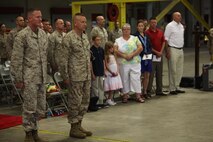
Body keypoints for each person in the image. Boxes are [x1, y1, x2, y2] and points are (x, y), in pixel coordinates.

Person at [10, 9, 48, 142]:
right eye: (37, 17)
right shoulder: (22, 36)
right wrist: (18, 79)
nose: (40, 19)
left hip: (41, 77)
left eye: (41, 17)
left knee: (40, 107)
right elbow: (16, 59)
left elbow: (44, 56)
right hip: (29, 78)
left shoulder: (43, 34)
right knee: (29, 107)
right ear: (29, 19)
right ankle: (28, 133)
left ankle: (35, 131)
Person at [56, 13, 92, 139]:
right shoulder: (68, 38)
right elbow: (62, 59)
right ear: (75, 23)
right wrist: (65, 76)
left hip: (86, 75)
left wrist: (90, 72)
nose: (85, 24)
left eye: (85, 22)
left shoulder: (84, 36)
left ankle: (79, 124)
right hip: (75, 76)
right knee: (75, 102)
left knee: (85, 101)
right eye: (82, 22)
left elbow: (87, 56)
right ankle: (73, 127)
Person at [114, 23, 144, 103]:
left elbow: (140, 48)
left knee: (136, 78)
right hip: (123, 63)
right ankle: (125, 95)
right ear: (122, 31)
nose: (126, 31)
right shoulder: (118, 40)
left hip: (135, 62)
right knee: (124, 79)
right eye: (124, 29)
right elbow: (115, 50)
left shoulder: (135, 38)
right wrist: (124, 55)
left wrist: (131, 55)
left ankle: (138, 95)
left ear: (130, 30)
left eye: (128, 29)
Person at [164, 12, 185, 95]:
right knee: (173, 69)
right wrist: (167, 51)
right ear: (174, 17)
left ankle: (177, 86)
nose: (180, 17)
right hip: (172, 49)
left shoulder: (181, 26)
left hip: (180, 49)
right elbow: (166, 39)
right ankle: (172, 88)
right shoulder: (170, 26)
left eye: (180, 15)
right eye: (178, 16)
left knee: (180, 69)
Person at [145, 17, 167, 96]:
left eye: (155, 22)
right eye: (152, 22)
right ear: (149, 23)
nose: (154, 24)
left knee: (159, 73)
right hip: (152, 56)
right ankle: (148, 91)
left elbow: (163, 42)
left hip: (160, 55)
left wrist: (161, 52)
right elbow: (148, 46)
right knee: (151, 74)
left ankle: (159, 90)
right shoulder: (147, 33)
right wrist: (157, 52)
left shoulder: (160, 32)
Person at [134, 20, 152, 99]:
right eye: (139, 26)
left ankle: (145, 91)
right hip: (140, 57)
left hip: (147, 57)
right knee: (139, 76)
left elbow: (150, 46)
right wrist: (141, 54)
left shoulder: (146, 35)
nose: (141, 27)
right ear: (137, 27)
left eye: (142, 26)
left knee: (147, 75)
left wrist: (148, 53)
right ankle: (139, 92)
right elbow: (134, 48)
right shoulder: (134, 36)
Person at [104, 41, 123, 105]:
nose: (112, 49)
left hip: (115, 72)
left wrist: (117, 71)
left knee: (113, 87)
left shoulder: (114, 55)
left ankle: (111, 98)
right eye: (111, 48)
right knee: (111, 87)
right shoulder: (106, 56)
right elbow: (106, 65)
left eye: (112, 48)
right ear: (107, 49)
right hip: (110, 73)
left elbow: (116, 63)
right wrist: (111, 72)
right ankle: (109, 99)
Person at [90, 35, 105, 106]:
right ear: (93, 41)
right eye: (97, 40)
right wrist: (92, 73)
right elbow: (90, 63)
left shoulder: (101, 49)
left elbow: (103, 60)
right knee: (95, 87)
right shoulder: (91, 50)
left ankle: (101, 101)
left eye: (99, 40)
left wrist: (104, 69)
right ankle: (95, 102)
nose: (99, 41)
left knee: (101, 86)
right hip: (95, 72)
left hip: (101, 70)